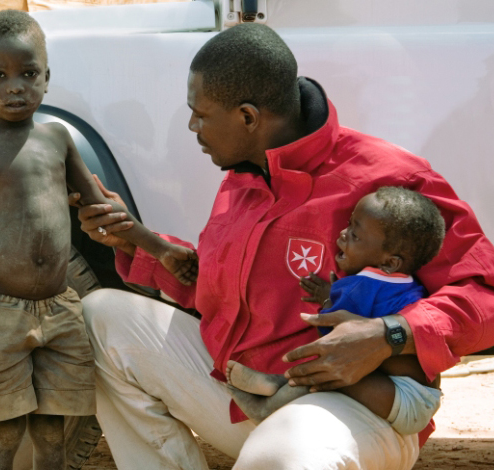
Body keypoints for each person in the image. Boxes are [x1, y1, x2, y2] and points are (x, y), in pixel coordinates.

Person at [69, 23, 494, 469]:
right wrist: (139, 242)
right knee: (102, 316)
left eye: (201, 113)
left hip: (352, 408)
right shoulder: (243, 175)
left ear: (248, 117)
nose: (192, 126)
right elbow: (221, 293)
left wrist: (389, 335)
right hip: (251, 395)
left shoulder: (391, 179)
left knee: (277, 456)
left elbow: (484, 294)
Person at [0, 10, 197, 470]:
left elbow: (102, 208)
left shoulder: (57, 138)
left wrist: (160, 248)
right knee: (3, 433)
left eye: (28, 74)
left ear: (47, 78)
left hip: (60, 309)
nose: (15, 86)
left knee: (51, 432)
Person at [225, 186, 445, 436]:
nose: (342, 235)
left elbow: (337, 337)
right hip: (425, 394)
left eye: (355, 235)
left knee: (328, 372)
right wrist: (332, 294)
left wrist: (328, 303)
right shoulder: (409, 286)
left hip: (398, 397)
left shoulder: (358, 287)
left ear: (389, 262)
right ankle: (278, 383)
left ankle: (268, 404)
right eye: (349, 225)